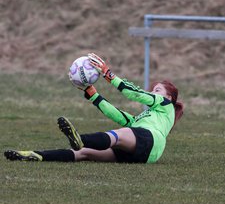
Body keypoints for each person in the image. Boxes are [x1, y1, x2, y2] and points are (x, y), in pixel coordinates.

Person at [4, 53, 184, 164]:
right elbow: (117, 114)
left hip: (151, 141)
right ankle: (36, 155)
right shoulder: (146, 119)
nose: (153, 92)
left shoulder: (164, 104)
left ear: (169, 97)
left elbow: (134, 93)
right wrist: (93, 95)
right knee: (84, 153)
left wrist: (108, 74)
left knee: (119, 134)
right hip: (145, 153)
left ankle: (80, 138)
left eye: (157, 90)